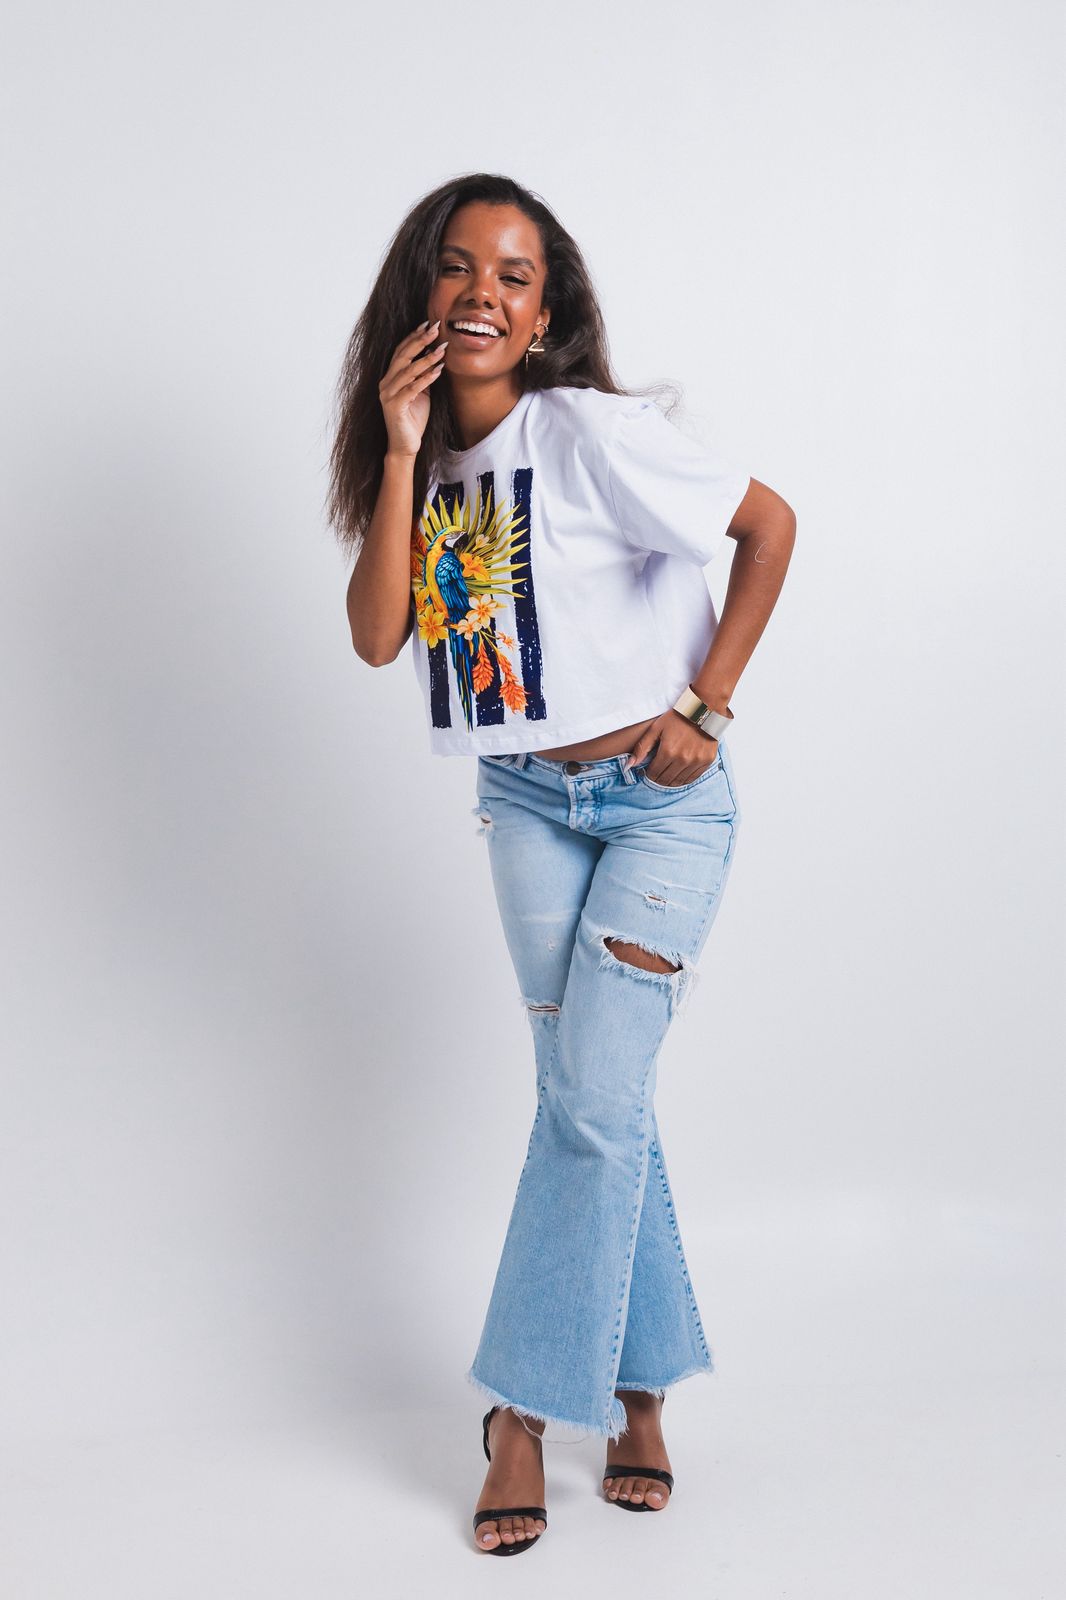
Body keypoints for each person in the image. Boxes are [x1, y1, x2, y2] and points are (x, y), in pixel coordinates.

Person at [328, 172, 796, 1556]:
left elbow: (769, 525)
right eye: (459, 265)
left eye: (515, 275)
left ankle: (523, 1411)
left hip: (660, 809)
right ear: (421, 289)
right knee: (597, 1100)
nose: (483, 292)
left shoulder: (588, 431)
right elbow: (376, 638)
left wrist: (707, 705)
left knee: (590, 1102)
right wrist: (398, 445)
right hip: (525, 803)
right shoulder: (430, 464)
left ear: (545, 314)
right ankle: (641, 1392)